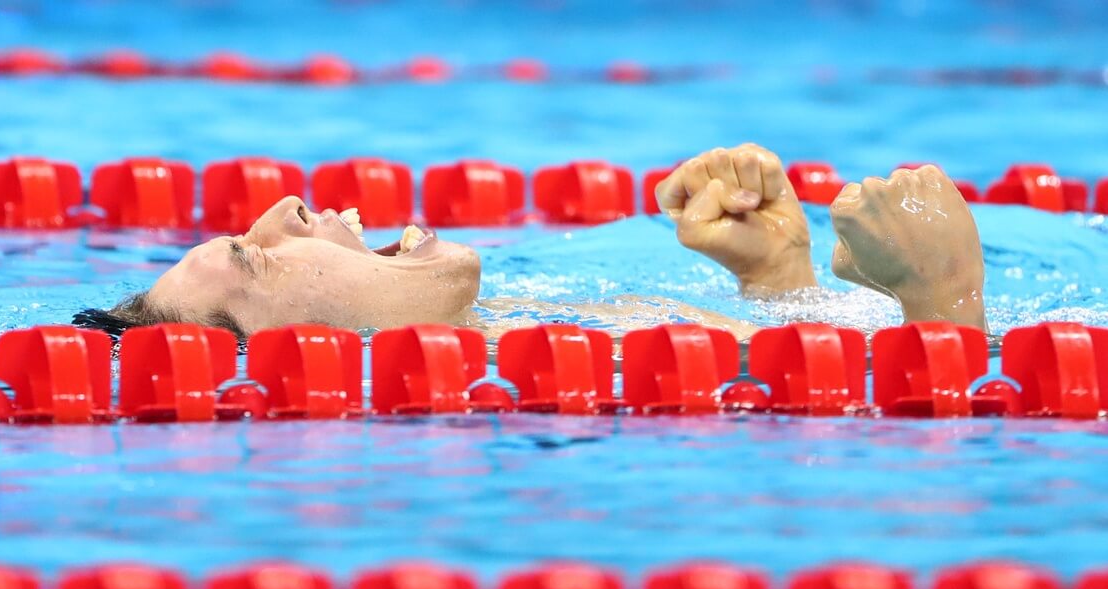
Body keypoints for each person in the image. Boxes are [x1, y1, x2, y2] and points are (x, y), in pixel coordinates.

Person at [74, 144, 987, 341]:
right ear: (306, 352)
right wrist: (945, 299)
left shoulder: (534, 337)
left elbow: (797, 374)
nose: (285, 207)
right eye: (256, 254)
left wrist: (777, 280)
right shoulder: (546, 415)